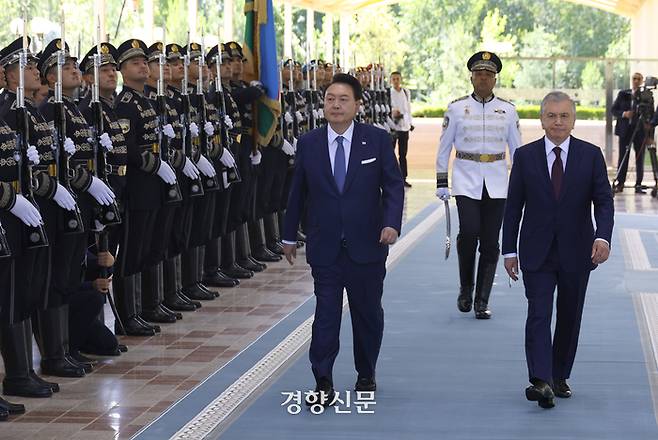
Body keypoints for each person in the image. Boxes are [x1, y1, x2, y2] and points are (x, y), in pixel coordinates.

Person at [282, 73, 404, 404]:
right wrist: (288, 235)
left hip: (367, 245)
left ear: (357, 105)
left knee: (367, 314)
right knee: (325, 315)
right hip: (325, 246)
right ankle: (323, 379)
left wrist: (391, 223)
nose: (336, 105)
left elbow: (393, 185)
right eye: (330, 99)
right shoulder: (308, 143)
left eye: (343, 99)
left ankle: (366, 372)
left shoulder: (377, 140)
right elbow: (297, 194)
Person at [502, 91, 614, 409]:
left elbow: (604, 202)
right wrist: (509, 250)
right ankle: (541, 380)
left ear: (573, 120)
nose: (558, 122)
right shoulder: (525, 157)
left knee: (569, 316)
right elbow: (513, 208)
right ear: (541, 120)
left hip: (578, 251)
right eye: (551, 116)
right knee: (538, 314)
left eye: (564, 116)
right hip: (536, 252)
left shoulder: (591, 155)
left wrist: (602, 237)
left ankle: (559, 374)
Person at [435, 51, 521, 319]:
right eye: (479, 74)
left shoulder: (508, 110)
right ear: (471, 77)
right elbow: (444, 145)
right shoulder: (456, 108)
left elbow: (517, 151)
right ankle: (465, 288)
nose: (483, 79)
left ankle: (482, 300)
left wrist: (521, 185)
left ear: (495, 79)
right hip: (466, 177)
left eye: (488, 75)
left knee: (491, 242)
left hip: (496, 178)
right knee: (469, 232)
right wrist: (441, 180)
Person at [611, 73, 647, 193]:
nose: (636, 81)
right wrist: (624, 114)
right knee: (623, 156)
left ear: (642, 81)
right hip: (625, 131)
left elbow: (649, 115)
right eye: (634, 79)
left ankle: (638, 184)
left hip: (640, 131)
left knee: (640, 158)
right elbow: (613, 110)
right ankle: (620, 183)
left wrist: (650, 135)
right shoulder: (623, 94)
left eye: (638, 79)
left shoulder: (645, 96)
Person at [389, 71, 413, 187]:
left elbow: (408, 108)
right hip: (393, 126)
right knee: (390, 153)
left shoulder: (406, 92)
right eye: (393, 79)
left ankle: (403, 177)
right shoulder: (389, 93)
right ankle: (392, 178)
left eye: (397, 79)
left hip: (404, 126)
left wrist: (410, 122)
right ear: (390, 80)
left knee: (403, 154)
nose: (396, 81)